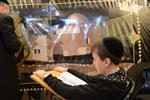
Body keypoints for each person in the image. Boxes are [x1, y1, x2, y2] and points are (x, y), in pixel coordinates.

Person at [34, 37, 132, 100]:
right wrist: (68, 71)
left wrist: (46, 76)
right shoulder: (119, 75)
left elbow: (70, 91)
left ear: (106, 62)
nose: (93, 63)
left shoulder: (107, 87)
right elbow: (92, 80)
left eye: (94, 59)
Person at [0, 0, 22, 100]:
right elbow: (13, 45)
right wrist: (19, 43)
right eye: (9, 10)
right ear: (3, 8)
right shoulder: (4, 18)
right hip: (4, 71)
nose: (9, 13)